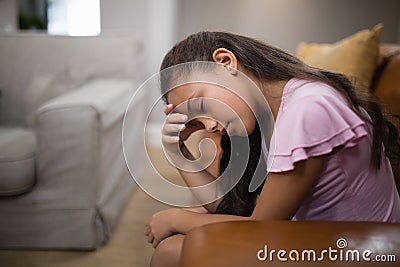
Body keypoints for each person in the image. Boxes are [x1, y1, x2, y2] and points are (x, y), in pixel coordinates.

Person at [145, 31, 400, 267]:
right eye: (197, 121)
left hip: (361, 248)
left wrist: (174, 219)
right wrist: (179, 153)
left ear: (224, 62)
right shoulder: (272, 113)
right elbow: (233, 208)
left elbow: (261, 227)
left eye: (201, 104)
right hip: (327, 237)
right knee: (178, 243)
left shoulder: (307, 108)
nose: (210, 126)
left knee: (172, 251)